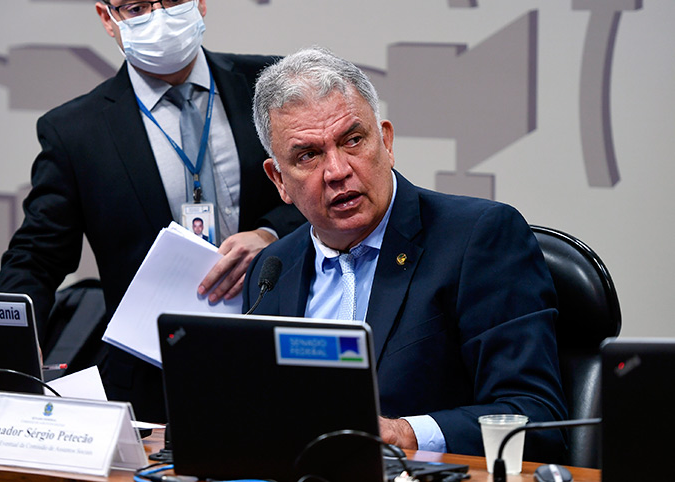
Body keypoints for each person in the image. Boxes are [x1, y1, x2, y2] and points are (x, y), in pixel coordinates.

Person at [0, 0, 303, 422]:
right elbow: (37, 256)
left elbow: (329, 195)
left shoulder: (269, 86)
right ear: (108, 18)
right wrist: (4, 342)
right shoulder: (76, 131)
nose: (159, 17)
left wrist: (269, 232)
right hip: (152, 376)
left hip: (278, 348)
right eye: (136, 7)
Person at [243, 47, 567, 461]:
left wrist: (407, 433)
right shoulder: (270, 272)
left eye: (353, 140)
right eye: (309, 155)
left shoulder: (478, 239)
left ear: (387, 141)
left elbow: (535, 417)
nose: (338, 170)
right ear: (279, 180)